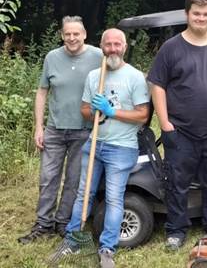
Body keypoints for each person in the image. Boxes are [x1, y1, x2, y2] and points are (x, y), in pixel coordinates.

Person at [147, 0, 207, 250]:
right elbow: (157, 86)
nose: (201, 18)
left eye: (206, 14)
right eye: (196, 13)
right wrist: (165, 123)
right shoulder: (171, 47)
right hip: (181, 131)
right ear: (187, 14)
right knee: (177, 184)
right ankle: (176, 230)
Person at [52, 28, 149, 268]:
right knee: (83, 193)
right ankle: (73, 240)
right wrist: (94, 110)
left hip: (122, 147)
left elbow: (143, 115)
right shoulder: (95, 76)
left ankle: (107, 248)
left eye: (118, 44)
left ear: (125, 47)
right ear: (102, 47)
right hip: (95, 143)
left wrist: (111, 110)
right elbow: (84, 109)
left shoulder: (135, 77)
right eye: (108, 44)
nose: (113, 49)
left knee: (114, 198)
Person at [18, 16, 102, 244]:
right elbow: (42, 92)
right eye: (67, 34)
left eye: (76, 33)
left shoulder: (97, 55)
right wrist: (39, 126)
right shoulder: (52, 57)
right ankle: (43, 223)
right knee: (47, 178)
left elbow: (116, 73)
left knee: (74, 180)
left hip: (83, 131)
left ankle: (62, 222)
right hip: (54, 130)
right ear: (62, 35)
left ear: (84, 34)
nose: (72, 38)